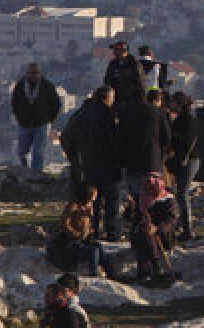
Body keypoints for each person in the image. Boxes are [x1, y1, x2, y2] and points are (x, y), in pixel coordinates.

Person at [76, 86, 122, 240]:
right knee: (112, 200)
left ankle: (91, 230)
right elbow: (114, 140)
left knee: (92, 200)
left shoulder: (84, 113)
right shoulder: (107, 114)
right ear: (107, 98)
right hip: (107, 164)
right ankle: (113, 232)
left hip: (89, 163)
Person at [46, 183, 114, 278]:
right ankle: (93, 275)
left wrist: (90, 231)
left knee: (99, 247)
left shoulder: (89, 207)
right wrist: (76, 234)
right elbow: (64, 224)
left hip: (83, 240)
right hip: (70, 243)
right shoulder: (73, 206)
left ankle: (111, 273)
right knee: (93, 251)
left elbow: (87, 224)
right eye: (94, 195)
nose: (95, 198)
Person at [126, 173, 179, 284]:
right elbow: (131, 218)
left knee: (147, 235)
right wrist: (131, 209)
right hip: (142, 234)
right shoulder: (140, 200)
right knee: (143, 234)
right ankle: (147, 270)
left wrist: (157, 228)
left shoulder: (168, 201)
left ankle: (154, 266)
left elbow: (171, 220)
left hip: (162, 236)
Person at [119, 88, 171, 200]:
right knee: (152, 197)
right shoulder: (158, 112)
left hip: (132, 162)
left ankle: (138, 215)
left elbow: (120, 138)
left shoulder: (126, 113)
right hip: (153, 162)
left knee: (135, 196)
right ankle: (148, 216)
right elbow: (167, 138)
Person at [11, 62, 62, 171]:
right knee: (22, 151)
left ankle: (36, 174)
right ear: (27, 73)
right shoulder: (20, 86)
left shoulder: (47, 86)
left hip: (41, 124)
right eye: (32, 73)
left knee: (38, 152)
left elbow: (56, 104)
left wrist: (50, 119)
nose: (34, 75)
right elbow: (14, 103)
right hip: (25, 124)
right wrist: (19, 117)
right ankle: (24, 170)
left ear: (40, 73)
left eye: (36, 73)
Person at [167, 92, 201, 240]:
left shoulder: (187, 120)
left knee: (182, 193)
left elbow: (185, 141)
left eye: (173, 103)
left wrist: (170, 132)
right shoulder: (184, 118)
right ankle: (184, 228)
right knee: (181, 193)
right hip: (189, 160)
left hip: (190, 160)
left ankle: (188, 229)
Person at [103, 41, 143, 108]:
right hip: (115, 101)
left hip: (131, 101)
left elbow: (140, 84)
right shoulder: (113, 64)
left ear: (124, 51)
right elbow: (107, 81)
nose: (114, 52)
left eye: (116, 50)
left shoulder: (133, 64)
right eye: (114, 50)